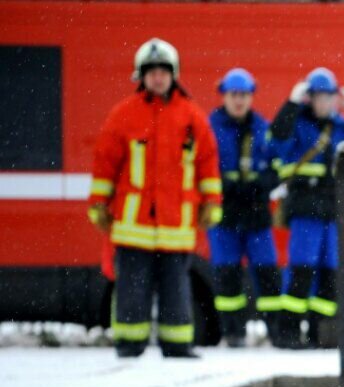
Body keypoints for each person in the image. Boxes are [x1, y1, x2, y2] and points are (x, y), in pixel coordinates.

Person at [88, 38, 222, 359]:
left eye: (163, 71)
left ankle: (177, 345)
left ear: (173, 74)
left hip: (176, 224)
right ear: (141, 76)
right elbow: (105, 163)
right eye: (152, 72)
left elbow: (207, 164)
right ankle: (128, 344)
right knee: (131, 288)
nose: (158, 77)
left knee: (177, 288)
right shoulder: (124, 115)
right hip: (133, 224)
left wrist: (212, 202)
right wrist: (98, 203)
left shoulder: (192, 117)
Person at [269, 67, 344, 348]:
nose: (323, 102)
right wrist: (291, 103)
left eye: (328, 97)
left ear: (334, 98)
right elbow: (277, 136)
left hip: (334, 210)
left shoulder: (343, 126)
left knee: (331, 272)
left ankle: (321, 334)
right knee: (301, 270)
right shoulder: (297, 123)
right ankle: (288, 332)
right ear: (310, 98)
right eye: (318, 97)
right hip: (305, 208)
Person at [208, 68, 282, 347]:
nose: (239, 100)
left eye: (244, 95)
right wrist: (226, 185)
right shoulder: (210, 128)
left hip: (256, 211)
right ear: (224, 96)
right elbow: (202, 165)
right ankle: (233, 333)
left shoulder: (263, 128)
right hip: (224, 212)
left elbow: (276, 166)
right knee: (227, 274)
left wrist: (262, 184)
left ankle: (275, 331)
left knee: (267, 273)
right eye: (234, 95)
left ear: (251, 97)